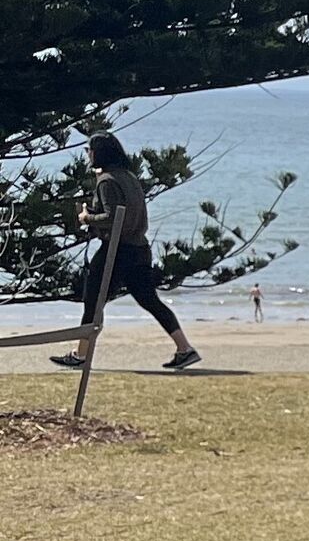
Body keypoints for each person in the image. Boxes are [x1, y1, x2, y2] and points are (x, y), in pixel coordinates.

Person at [49, 132, 200, 371]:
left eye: (90, 150)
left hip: (117, 250)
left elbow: (113, 217)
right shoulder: (128, 176)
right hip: (139, 248)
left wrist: (87, 217)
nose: (87, 154)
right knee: (149, 299)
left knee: (93, 300)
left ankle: (81, 354)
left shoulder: (107, 180)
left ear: (99, 153)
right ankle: (185, 348)